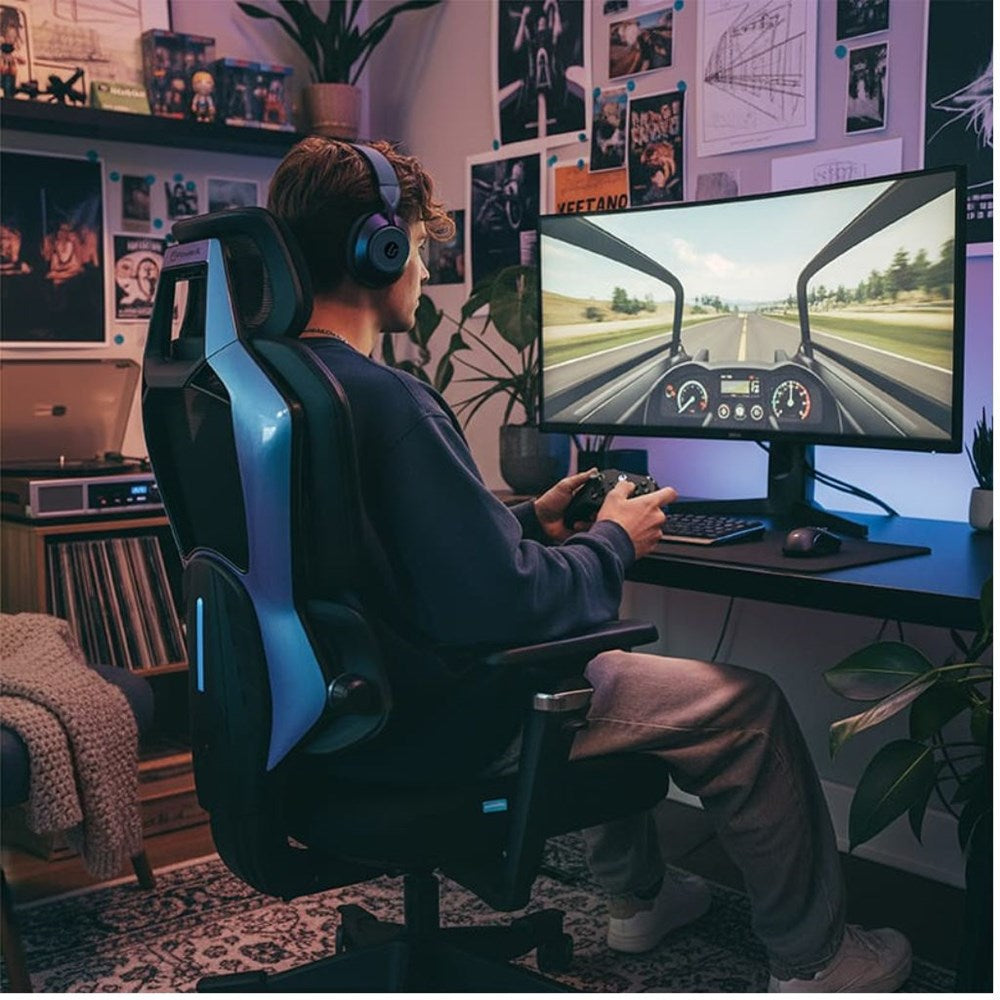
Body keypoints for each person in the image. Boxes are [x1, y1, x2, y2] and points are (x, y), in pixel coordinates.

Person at [267, 136, 913, 993]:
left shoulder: (276, 386)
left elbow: (368, 549)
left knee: (598, 653)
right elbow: (510, 604)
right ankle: (818, 962)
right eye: (418, 245)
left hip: (339, 714)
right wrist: (613, 540)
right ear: (377, 249)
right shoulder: (389, 401)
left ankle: (641, 898)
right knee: (743, 706)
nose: (421, 266)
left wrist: (522, 516)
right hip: (442, 720)